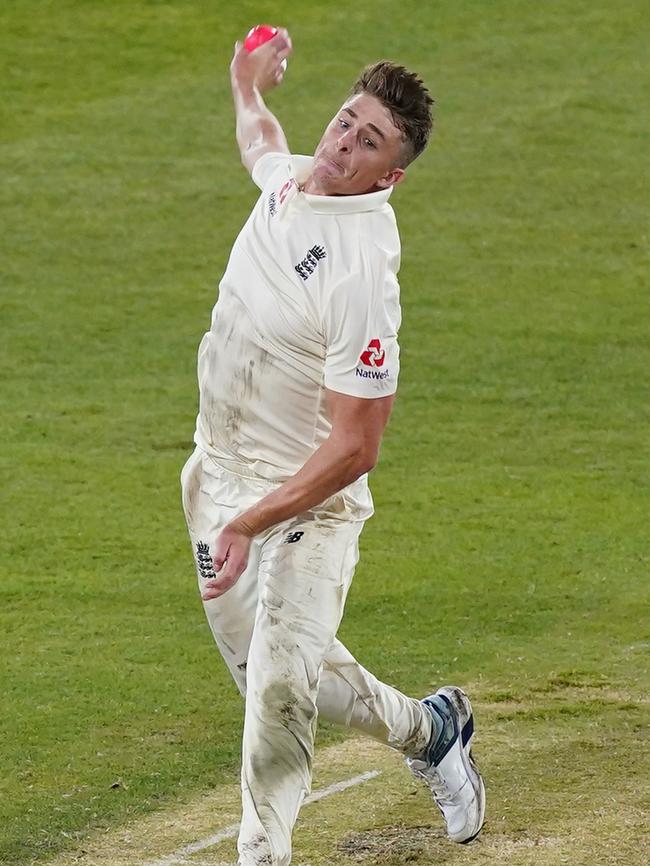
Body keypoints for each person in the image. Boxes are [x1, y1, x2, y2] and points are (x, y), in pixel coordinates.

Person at [180, 27, 485, 866]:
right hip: (218, 482)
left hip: (308, 502)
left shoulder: (361, 273)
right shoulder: (291, 183)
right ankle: (432, 730)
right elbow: (263, 143)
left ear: (391, 175)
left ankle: (261, 854)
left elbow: (355, 447)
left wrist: (253, 522)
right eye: (346, 122)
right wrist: (247, 85)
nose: (342, 144)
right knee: (294, 680)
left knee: (278, 692)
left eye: (368, 142)